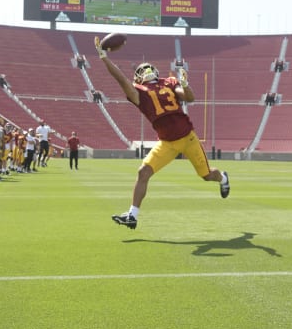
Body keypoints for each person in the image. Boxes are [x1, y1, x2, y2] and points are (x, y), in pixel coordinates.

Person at [94, 36, 230, 230]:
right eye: (141, 70)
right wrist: (103, 57)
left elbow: (189, 98)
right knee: (143, 172)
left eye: (148, 68)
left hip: (188, 138)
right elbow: (120, 79)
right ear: (138, 77)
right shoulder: (138, 91)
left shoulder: (169, 82)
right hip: (167, 143)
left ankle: (223, 178)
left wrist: (185, 84)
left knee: (207, 175)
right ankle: (132, 215)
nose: (146, 70)